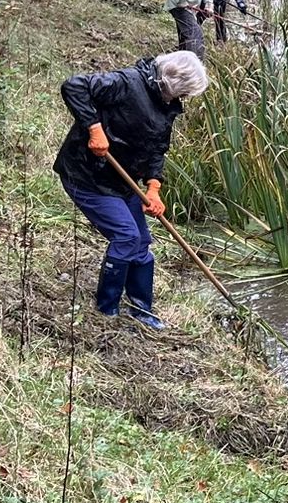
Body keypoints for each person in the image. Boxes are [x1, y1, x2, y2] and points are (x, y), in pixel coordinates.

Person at [52, 50, 209, 329]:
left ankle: (142, 309)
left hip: (122, 182)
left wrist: (154, 187)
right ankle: (107, 308)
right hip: (87, 175)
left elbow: (157, 148)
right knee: (126, 236)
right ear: (173, 81)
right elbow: (74, 86)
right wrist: (94, 128)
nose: (184, 99)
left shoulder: (166, 105)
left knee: (141, 242)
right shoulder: (128, 82)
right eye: (184, 92)